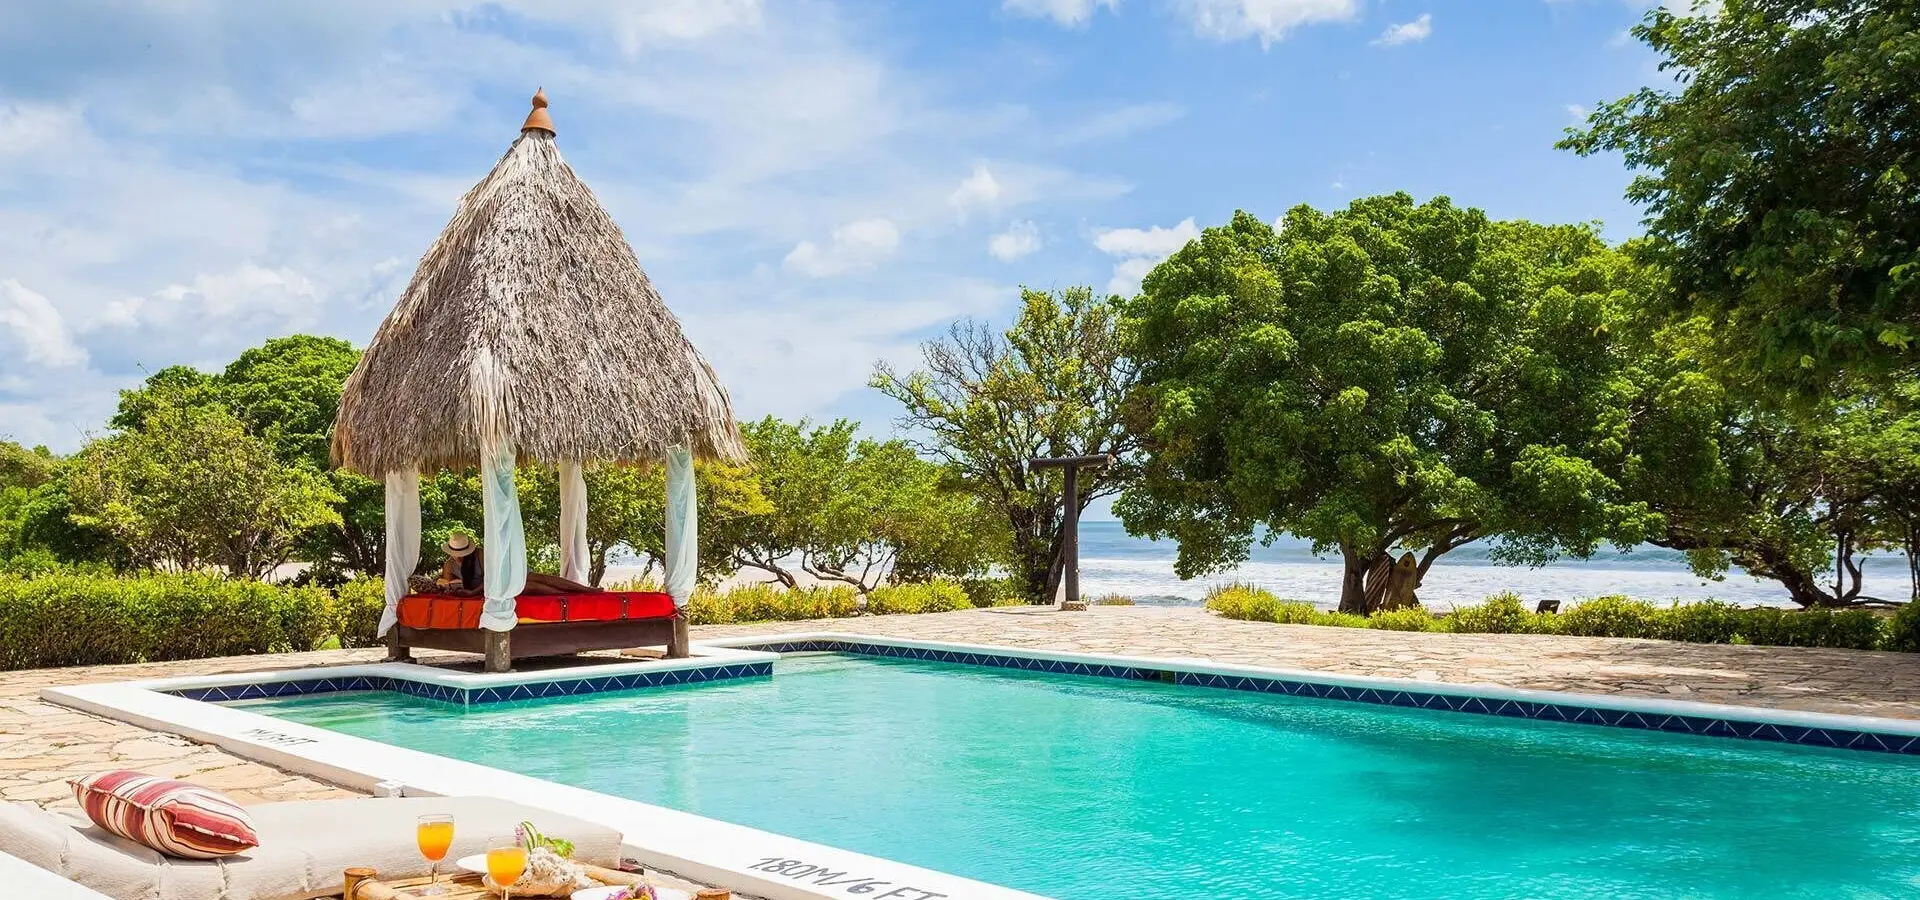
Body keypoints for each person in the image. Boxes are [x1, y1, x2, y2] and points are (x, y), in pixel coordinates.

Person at [435, 531, 602, 596]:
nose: (458, 557)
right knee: (528, 586)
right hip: (493, 588)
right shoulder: (449, 565)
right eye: (456, 554)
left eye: (461, 554)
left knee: (539, 578)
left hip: (500, 578)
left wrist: (472, 593)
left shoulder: (480, 555)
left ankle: (585, 590)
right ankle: (566, 595)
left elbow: (493, 578)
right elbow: (445, 584)